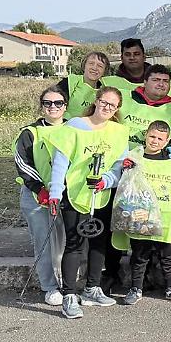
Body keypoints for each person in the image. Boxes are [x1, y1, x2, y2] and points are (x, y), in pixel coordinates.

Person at [44, 87, 130, 319]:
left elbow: (120, 165)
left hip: (101, 195)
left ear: (117, 109)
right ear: (96, 100)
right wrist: (55, 192)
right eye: (104, 102)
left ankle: (93, 288)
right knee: (74, 244)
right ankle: (69, 295)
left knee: (99, 242)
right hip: (76, 194)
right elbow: (61, 161)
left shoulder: (120, 132)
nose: (107, 107)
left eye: (112, 105)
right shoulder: (74, 125)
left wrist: (107, 181)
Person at [118, 121, 171, 304]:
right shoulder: (134, 158)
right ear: (145, 136)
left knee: (168, 257)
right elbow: (124, 183)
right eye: (152, 136)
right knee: (140, 256)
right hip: (141, 216)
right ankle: (136, 289)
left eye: (160, 138)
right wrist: (124, 168)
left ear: (166, 142)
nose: (155, 141)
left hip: (167, 218)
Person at [12, 85, 67, 305]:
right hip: (38, 197)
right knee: (44, 241)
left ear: (65, 106)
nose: (53, 107)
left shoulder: (74, 128)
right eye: (48, 103)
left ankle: (68, 284)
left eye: (58, 103)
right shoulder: (30, 132)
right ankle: (49, 287)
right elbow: (22, 163)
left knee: (67, 243)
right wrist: (40, 189)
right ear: (42, 106)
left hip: (67, 195)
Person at [119, 65, 171, 148]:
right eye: (156, 80)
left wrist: (170, 148)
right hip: (116, 154)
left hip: (150, 159)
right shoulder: (122, 97)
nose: (161, 84)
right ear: (145, 82)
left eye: (165, 81)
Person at [57, 51, 110, 119]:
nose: (94, 68)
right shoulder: (70, 82)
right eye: (91, 63)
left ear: (104, 71)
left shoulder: (105, 90)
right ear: (84, 65)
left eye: (100, 66)